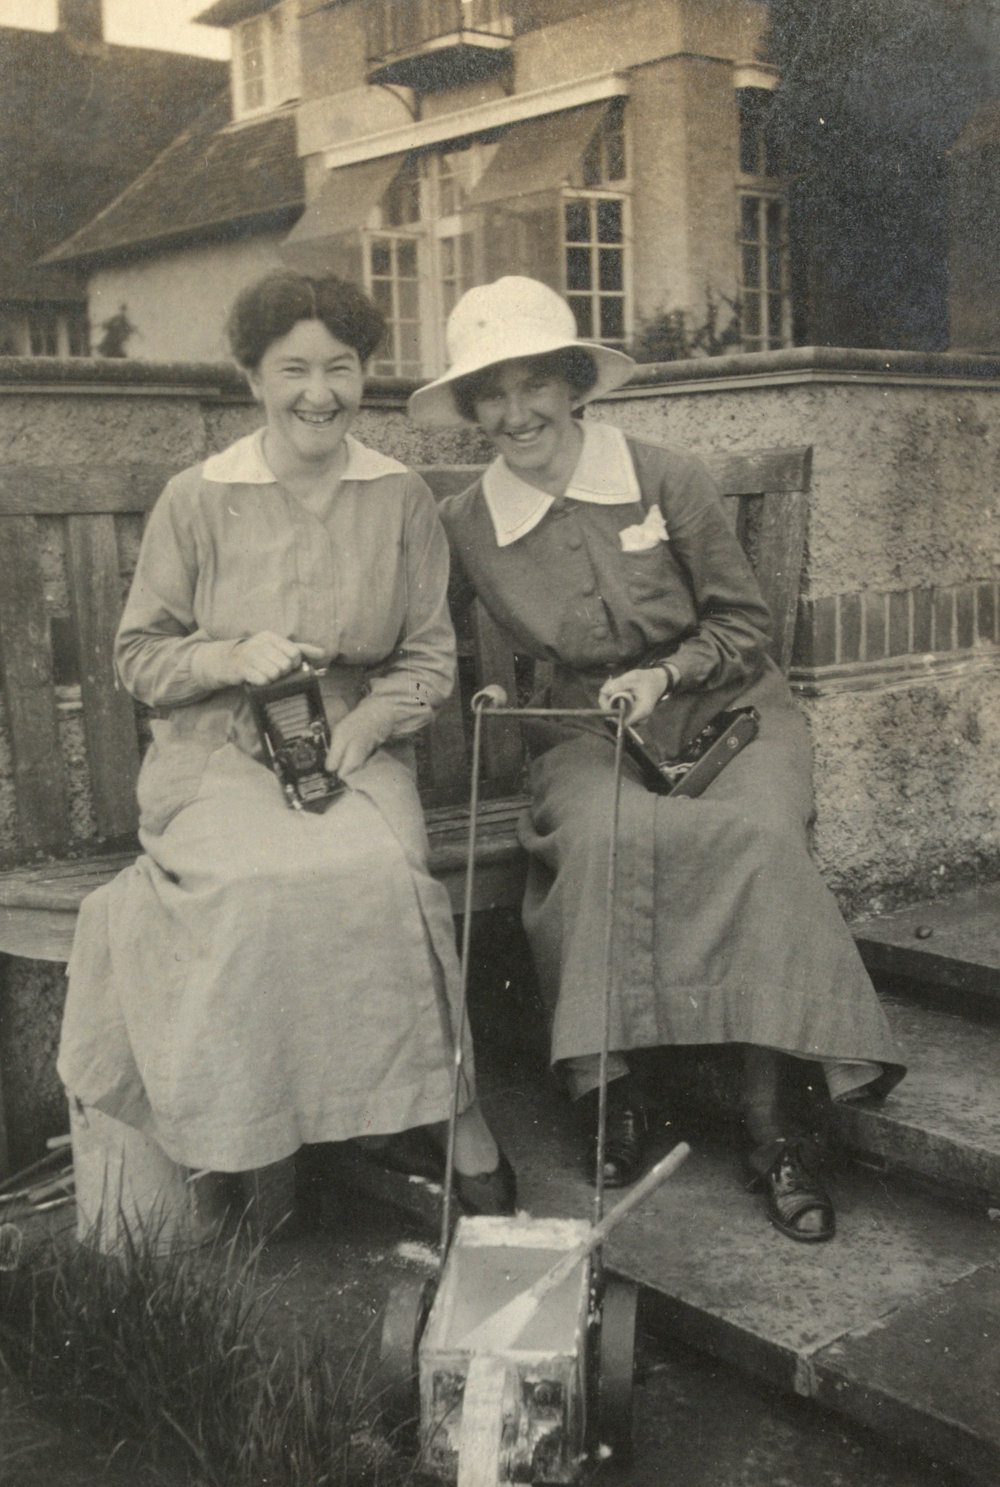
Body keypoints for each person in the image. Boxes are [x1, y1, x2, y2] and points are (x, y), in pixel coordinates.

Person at [408, 276, 904, 1243]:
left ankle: (773, 1126)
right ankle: (610, 1092)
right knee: (597, 836)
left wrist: (669, 673)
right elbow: (442, 641)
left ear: (574, 382)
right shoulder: (465, 519)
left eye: (534, 384)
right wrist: (487, 686)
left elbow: (743, 624)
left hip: (727, 715)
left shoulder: (662, 474)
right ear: (470, 408)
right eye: (491, 394)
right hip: (585, 733)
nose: (516, 413)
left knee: (754, 835)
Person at [58, 270, 514, 1228]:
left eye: (341, 368)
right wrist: (228, 652)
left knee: (385, 879)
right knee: (252, 888)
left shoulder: (399, 498)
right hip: (218, 754)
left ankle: (445, 1109)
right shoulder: (199, 496)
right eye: (293, 368)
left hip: (352, 745)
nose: (320, 391)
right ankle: (244, 1132)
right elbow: (138, 657)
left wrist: (370, 723)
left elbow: (430, 655)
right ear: (252, 377)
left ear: (364, 376)